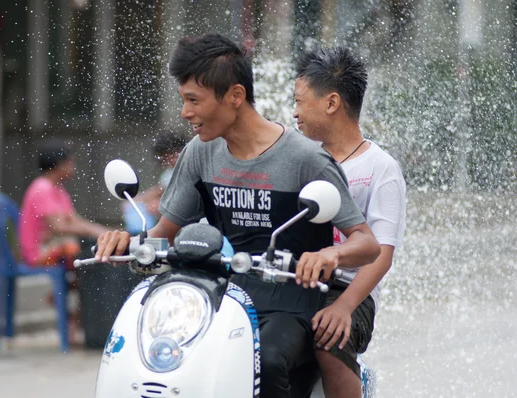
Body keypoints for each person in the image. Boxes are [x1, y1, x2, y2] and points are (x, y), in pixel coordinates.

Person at [95, 34, 380, 398]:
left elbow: (366, 242)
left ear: (235, 96)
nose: (186, 113)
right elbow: (163, 234)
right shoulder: (200, 153)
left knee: (268, 359)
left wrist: (330, 254)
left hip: (293, 299)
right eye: (184, 101)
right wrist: (127, 242)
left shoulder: (305, 159)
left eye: (193, 101)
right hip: (226, 296)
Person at [293, 48, 407, 397]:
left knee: (326, 338)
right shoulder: (298, 157)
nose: (294, 113)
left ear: (331, 103)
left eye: (299, 102)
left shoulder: (380, 168)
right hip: (295, 279)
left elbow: (381, 254)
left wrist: (344, 307)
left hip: (348, 292)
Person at [19, 139, 113, 343]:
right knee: (90, 262)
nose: (74, 167)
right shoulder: (43, 188)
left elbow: (73, 220)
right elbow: (59, 226)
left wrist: (103, 231)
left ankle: (69, 311)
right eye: (71, 162)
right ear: (58, 164)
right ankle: (70, 316)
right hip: (39, 252)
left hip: (54, 248)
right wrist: (99, 231)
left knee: (92, 263)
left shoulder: (57, 189)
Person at [121, 131, 189, 234]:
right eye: (166, 157)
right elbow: (159, 190)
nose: (171, 160)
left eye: (174, 154)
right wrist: (137, 199)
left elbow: (185, 196)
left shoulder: (191, 168)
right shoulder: (169, 172)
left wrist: (161, 205)